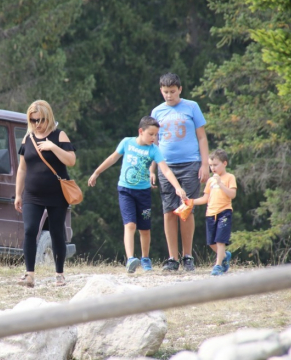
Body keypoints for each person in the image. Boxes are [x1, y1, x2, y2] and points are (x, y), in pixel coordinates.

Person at [88, 116, 186, 273]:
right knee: (130, 224)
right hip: (125, 191)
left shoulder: (154, 150)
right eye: (151, 134)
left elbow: (165, 170)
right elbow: (113, 158)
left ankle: (145, 258)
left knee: (144, 229)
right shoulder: (127, 142)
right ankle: (131, 259)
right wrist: (96, 172)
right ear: (141, 131)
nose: (154, 138)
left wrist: (177, 187)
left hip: (144, 194)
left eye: (156, 135)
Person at [150, 72, 209, 272]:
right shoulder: (157, 112)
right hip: (166, 167)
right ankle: (172, 258)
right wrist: (152, 168)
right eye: (165, 92)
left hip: (191, 164)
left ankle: (187, 256)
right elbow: (154, 143)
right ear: (161, 90)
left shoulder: (192, 107)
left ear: (180, 90)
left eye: (172, 92)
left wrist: (204, 164)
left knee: (186, 209)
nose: (169, 96)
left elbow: (201, 137)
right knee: (168, 211)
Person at [15, 100, 76, 288]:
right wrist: (18, 194)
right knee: (30, 230)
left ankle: (59, 274)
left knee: (57, 232)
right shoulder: (28, 138)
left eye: (40, 120)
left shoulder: (60, 135)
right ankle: (30, 274)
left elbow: (71, 160)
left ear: (48, 117)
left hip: (57, 194)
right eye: (33, 121)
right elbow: (22, 168)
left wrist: (53, 147)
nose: (37, 124)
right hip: (32, 194)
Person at [192, 149, 236, 276]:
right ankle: (224, 255)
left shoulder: (229, 177)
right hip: (210, 214)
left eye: (215, 165)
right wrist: (191, 202)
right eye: (210, 165)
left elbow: (232, 194)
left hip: (224, 212)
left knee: (220, 240)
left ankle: (218, 265)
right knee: (211, 242)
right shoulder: (210, 181)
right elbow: (205, 198)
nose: (213, 168)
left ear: (224, 163)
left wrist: (221, 184)